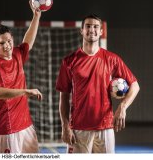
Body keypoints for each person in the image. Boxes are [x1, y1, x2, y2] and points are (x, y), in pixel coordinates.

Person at [56, 14, 140, 153]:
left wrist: (123, 107)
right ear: (81, 30)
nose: (92, 29)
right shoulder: (69, 61)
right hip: (78, 128)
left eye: (96, 27)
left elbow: (135, 85)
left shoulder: (112, 59)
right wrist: (65, 126)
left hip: (105, 127)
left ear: (101, 31)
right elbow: (63, 97)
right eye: (88, 26)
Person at [0, 0, 42, 153]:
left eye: (9, 41)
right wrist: (25, 92)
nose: (7, 45)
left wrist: (36, 16)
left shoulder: (17, 53)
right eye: (2, 43)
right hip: (7, 127)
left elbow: (28, 40)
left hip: (26, 124)